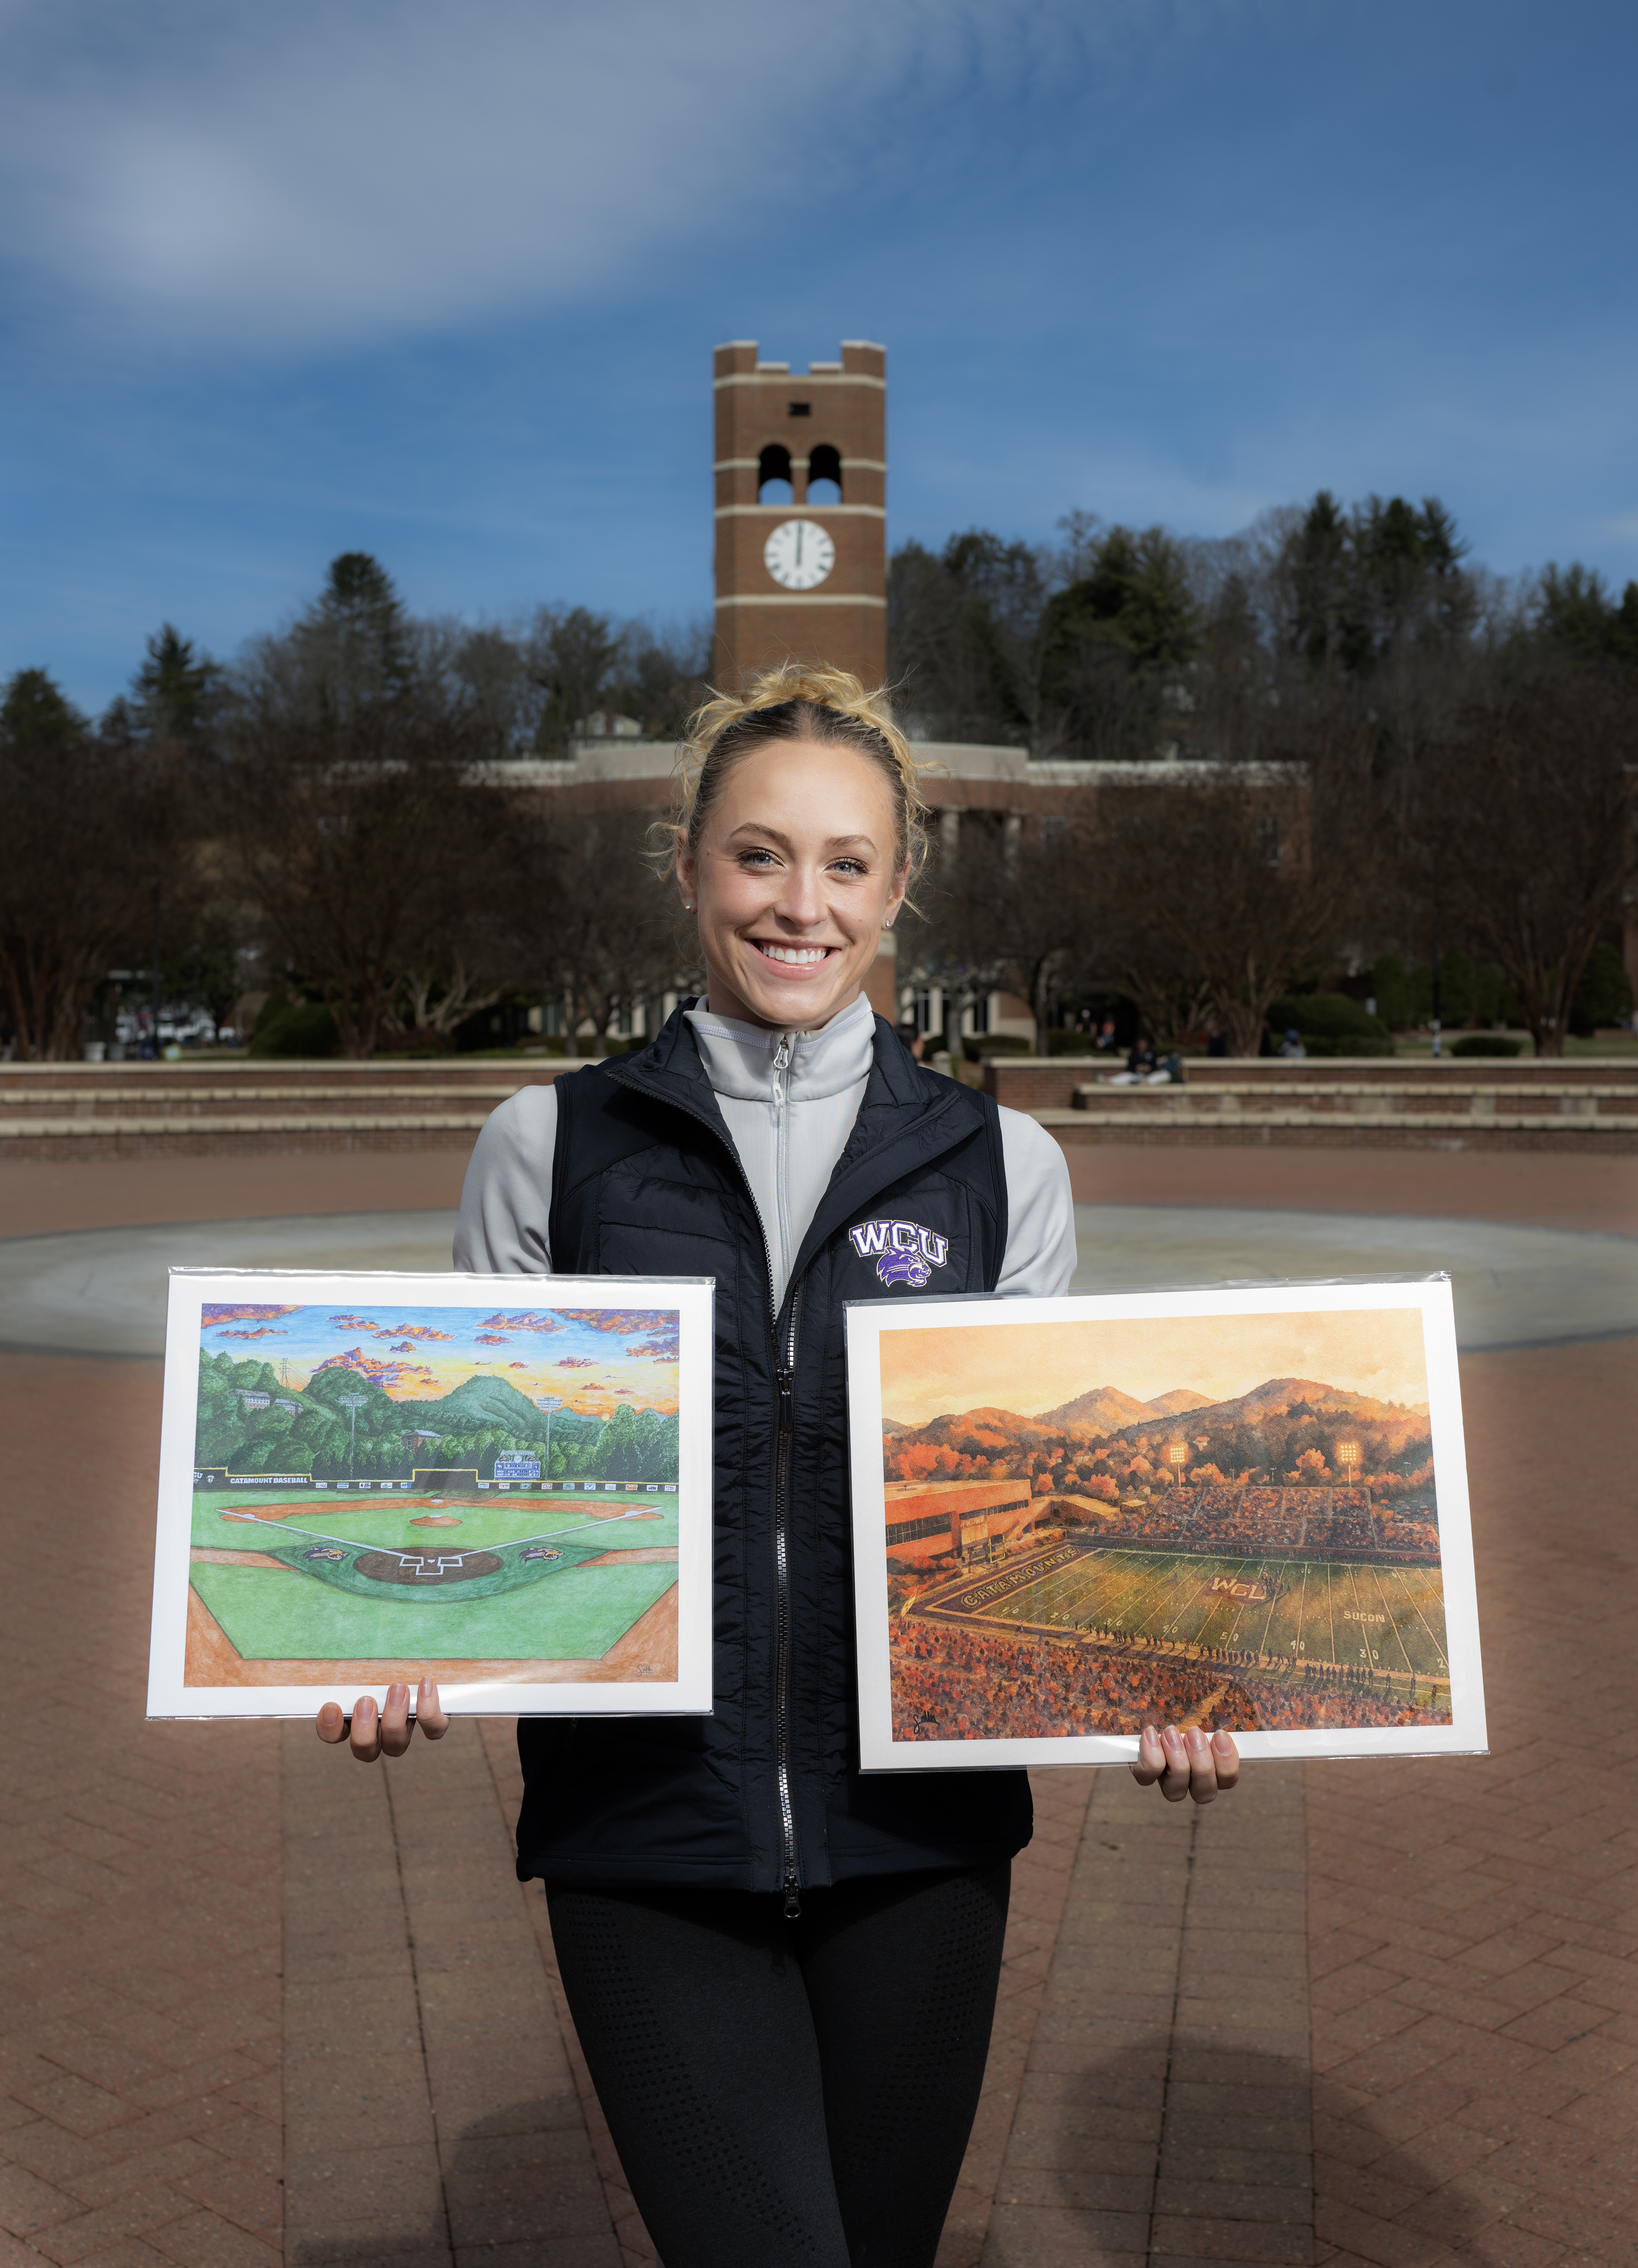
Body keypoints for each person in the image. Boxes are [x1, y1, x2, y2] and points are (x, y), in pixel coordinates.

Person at [315, 664, 1238, 2268]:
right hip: (647, 1835)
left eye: (844, 862)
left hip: (922, 1848)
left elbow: (1038, 1479)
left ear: (898, 892)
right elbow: (460, 1478)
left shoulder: (1001, 1164)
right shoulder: (548, 1144)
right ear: (683, 866)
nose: (798, 903)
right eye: (757, 855)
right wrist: (404, 1642)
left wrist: (1166, 1676)